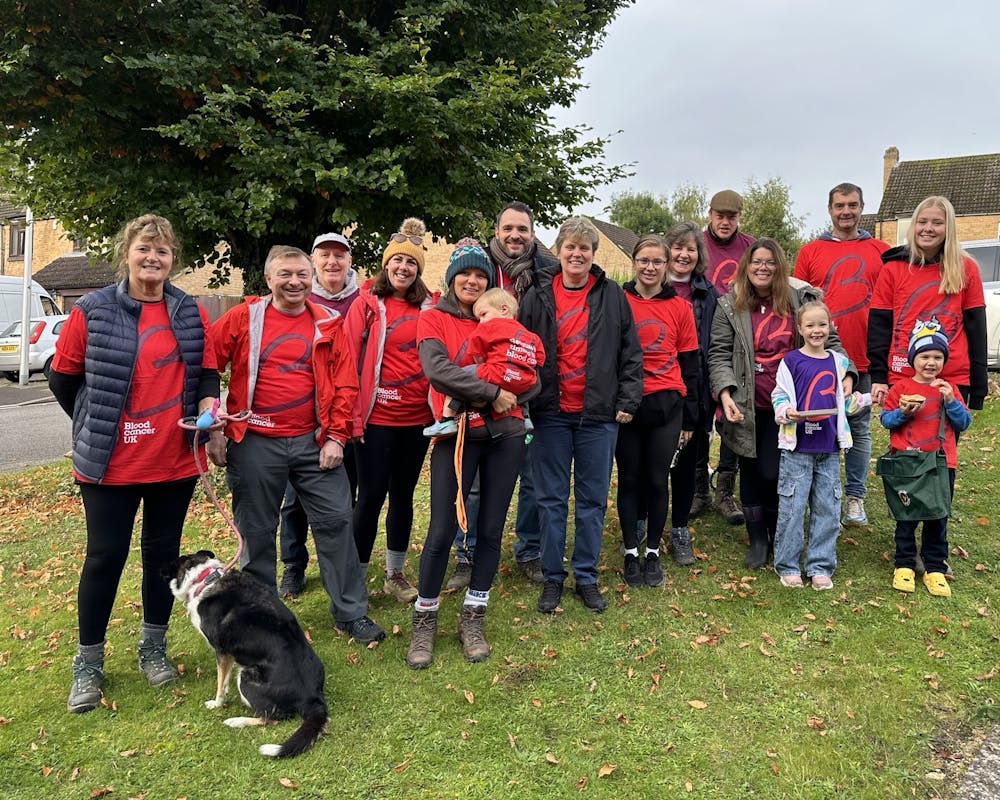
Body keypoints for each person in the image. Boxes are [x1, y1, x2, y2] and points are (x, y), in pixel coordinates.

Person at [49, 214, 220, 713]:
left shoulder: (188, 311)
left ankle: (153, 648)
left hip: (173, 459)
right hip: (110, 461)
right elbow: (64, 379)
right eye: (145, 248)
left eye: (163, 251)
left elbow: (207, 373)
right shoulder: (93, 310)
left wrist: (209, 414)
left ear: (173, 260)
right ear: (127, 253)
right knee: (104, 557)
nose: (153, 258)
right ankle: (88, 662)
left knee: (162, 558)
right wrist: (95, 423)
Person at [208, 245, 384, 643]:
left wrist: (337, 435)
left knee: (337, 523)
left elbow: (345, 383)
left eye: (302, 274)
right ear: (268, 279)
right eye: (285, 274)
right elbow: (206, 364)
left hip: (315, 441)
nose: (294, 282)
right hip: (254, 441)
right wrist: (213, 427)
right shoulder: (243, 318)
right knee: (256, 532)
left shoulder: (329, 322)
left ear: (312, 278)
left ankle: (350, 613)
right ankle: (263, 619)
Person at [407, 241, 534, 668]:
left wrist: (514, 391)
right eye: (465, 274)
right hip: (456, 435)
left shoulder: (503, 320)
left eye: (480, 275)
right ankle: (424, 617)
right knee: (443, 529)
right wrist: (494, 392)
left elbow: (531, 372)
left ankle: (473, 615)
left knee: (492, 528)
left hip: (506, 434)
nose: (472, 281)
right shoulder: (433, 318)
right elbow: (438, 371)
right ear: (451, 278)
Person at [519, 216, 643, 614]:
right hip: (549, 413)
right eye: (570, 246)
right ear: (558, 250)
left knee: (591, 501)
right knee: (551, 499)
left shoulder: (611, 295)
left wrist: (626, 401)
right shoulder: (536, 295)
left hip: (598, 416)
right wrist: (522, 398)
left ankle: (586, 577)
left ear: (593, 254)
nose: (577, 254)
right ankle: (553, 577)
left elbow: (630, 353)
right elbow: (518, 350)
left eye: (585, 248)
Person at [708, 239, 856, 570]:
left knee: (775, 471)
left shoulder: (798, 300)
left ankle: (780, 534)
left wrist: (848, 374)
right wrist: (725, 393)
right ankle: (758, 538)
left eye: (770, 262)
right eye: (756, 261)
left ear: (780, 267)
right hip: (746, 402)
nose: (763, 267)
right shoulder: (730, 305)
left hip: (792, 404)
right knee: (749, 466)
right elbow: (718, 353)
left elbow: (830, 340)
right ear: (746, 266)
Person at [446, 201, 560, 589]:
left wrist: (532, 386)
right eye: (508, 228)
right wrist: (485, 389)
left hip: (529, 390)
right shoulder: (476, 270)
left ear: (532, 234)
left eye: (523, 230)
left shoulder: (546, 275)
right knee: (473, 484)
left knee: (531, 478)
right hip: (481, 392)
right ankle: (468, 553)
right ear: (496, 231)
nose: (515, 235)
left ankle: (527, 550)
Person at [344, 218, 436, 604]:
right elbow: (347, 358)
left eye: (411, 263)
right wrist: (351, 416)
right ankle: (356, 575)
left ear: (418, 270)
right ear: (387, 264)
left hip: (417, 420)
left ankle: (394, 573)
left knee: (403, 495)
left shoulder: (431, 306)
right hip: (376, 419)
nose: (403, 268)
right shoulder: (367, 303)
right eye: (397, 260)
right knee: (369, 497)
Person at [794, 183, 889, 528]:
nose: (845, 211)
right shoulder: (810, 252)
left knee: (860, 427)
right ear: (829, 209)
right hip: (819, 357)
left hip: (864, 356)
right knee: (816, 424)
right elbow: (798, 305)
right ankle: (819, 492)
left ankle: (854, 496)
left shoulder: (881, 251)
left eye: (852, 205)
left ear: (862, 207)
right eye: (839, 205)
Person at [278, 231, 361, 598]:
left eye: (339, 256)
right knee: (293, 501)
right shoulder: (299, 299)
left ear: (349, 262)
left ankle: (346, 567)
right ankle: (293, 566)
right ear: (313, 261)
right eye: (325, 255)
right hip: (307, 420)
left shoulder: (365, 300)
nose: (332, 262)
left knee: (345, 500)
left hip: (354, 416)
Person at [618, 234, 700, 586]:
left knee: (656, 479)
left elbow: (690, 364)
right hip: (627, 406)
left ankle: (652, 550)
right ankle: (630, 552)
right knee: (629, 479)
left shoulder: (680, 307)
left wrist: (692, 418)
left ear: (667, 266)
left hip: (667, 403)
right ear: (634, 262)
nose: (650, 267)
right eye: (644, 260)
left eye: (657, 261)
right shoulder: (618, 301)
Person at [869, 195, 988, 412]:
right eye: (922, 222)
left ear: (948, 228)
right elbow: (879, 326)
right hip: (903, 375)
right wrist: (878, 376)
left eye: (937, 222)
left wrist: (979, 387)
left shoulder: (966, 269)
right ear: (913, 226)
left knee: (945, 445)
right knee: (907, 445)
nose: (928, 228)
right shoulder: (892, 269)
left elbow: (977, 330)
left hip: (952, 378)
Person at [878, 328, 971, 597]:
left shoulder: (948, 389)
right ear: (912, 359)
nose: (931, 362)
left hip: (941, 463)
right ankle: (904, 563)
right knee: (906, 516)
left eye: (937, 357)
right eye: (924, 356)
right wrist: (903, 413)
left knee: (937, 516)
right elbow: (886, 421)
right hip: (906, 461)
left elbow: (964, 422)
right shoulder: (901, 388)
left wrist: (951, 401)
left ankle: (935, 567)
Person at [771, 302, 856, 591]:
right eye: (810, 325)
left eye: (822, 324)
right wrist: (785, 412)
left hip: (829, 448)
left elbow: (845, 401)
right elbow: (779, 395)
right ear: (800, 329)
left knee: (827, 507)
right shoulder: (791, 361)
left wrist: (861, 399)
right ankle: (788, 565)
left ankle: (820, 565)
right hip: (798, 448)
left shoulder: (838, 362)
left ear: (830, 326)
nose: (817, 330)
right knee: (793, 507)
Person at [663, 222, 719, 545]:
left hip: (694, 389)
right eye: (678, 247)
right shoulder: (648, 287)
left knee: (684, 464)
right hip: (655, 390)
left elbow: (712, 344)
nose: (684, 254)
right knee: (652, 464)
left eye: (691, 248)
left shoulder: (708, 293)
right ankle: (645, 521)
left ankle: (680, 526)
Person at [703, 189, 756, 526]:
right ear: (709, 214)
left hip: (735, 342)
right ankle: (697, 489)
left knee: (731, 415)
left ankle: (724, 490)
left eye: (731, 216)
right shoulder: (695, 243)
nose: (725, 221)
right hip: (697, 337)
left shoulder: (749, 248)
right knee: (696, 418)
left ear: (739, 217)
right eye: (719, 215)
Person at [424, 288, 542, 438]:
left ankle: (446, 420)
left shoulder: (490, 327)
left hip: (496, 371)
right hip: (523, 376)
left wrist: (480, 362)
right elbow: (539, 357)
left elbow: (475, 346)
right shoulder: (529, 334)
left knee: (460, 377)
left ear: (504, 309)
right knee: (519, 387)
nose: (481, 322)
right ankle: (525, 418)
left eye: (483, 315)